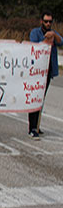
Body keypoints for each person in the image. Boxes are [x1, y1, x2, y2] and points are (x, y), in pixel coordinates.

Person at [28, 10, 62, 140]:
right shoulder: (35, 33)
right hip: (37, 71)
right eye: (46, 21)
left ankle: (37, 125)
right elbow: (34, 46)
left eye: (50, 22)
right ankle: (32, 127)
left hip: (48, 71)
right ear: (41, 21)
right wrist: (46, 39)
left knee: (41, 100)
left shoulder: (53, 33)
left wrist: (53, 35)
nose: (48, 24)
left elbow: (61, 42)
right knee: (34, 98)